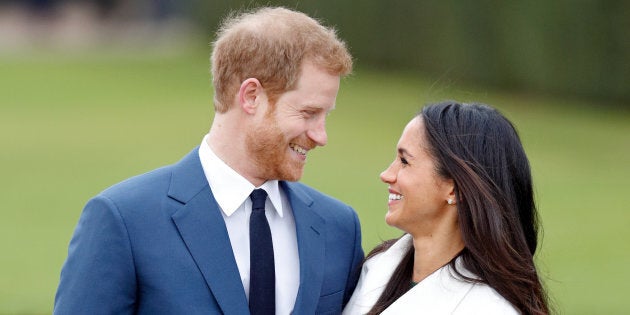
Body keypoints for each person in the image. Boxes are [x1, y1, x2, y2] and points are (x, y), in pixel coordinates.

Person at [54, 7, 364, 314]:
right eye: (308, 113)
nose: (321, 136)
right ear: (251, 97)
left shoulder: (339, 228)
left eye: (326, 115)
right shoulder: (124, 220)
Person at [343, 101, 549, 314]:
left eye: (404, 161)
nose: (386, 175)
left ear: (453, 189)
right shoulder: (376, 268)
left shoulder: (488, 308)